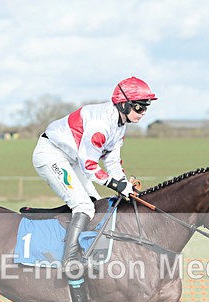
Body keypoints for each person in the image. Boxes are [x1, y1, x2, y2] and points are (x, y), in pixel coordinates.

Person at [32, 76, 156, 286]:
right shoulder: (101, 124)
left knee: (98, 207)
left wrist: (124, 184)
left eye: (146, 108)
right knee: (84, 206)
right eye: (139, 107)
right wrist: (116, 185)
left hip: (72, 159)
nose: (143, 113)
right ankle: (69, 261)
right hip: (52, 155)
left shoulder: (120, 124)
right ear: (124, 103)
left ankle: (87, 255)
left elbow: (113, 162)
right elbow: (90, 166)